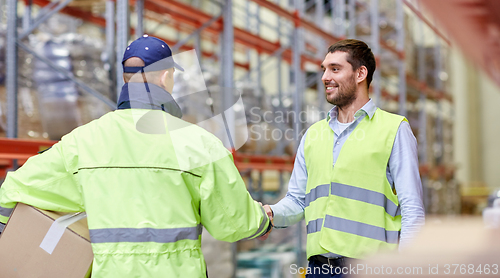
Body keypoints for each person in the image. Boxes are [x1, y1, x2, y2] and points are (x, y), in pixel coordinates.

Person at [0, 35, 271, 278]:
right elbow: (236, 224)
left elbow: (12, 191)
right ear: (166, 77)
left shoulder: (82, 142)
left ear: (124, 78)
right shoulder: (199, 144)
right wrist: (264, 219)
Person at [262, 39, 425, 277]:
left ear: (361, 74)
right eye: (324, 69)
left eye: (335, 69)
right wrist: (271, 213)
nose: (324, 77)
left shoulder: (394, 129)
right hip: (320, 268)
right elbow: (297, 201)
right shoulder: (312, 135)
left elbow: (412, 209)